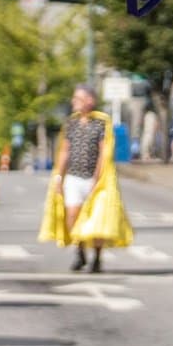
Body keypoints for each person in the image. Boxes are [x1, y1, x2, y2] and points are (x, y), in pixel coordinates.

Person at [41, 85, 133, 272]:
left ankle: (97, 257)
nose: (74, 102)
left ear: (90, 101)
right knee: (73, 215)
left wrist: (97, 179)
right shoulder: (71, 124)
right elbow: (65, 151)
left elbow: (103, 153)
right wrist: (59, 176)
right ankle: (80, 252)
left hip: (94, 179)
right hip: (74, 177)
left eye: (79, 98)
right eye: (74, 98)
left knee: (97, 219)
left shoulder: (100, 123)